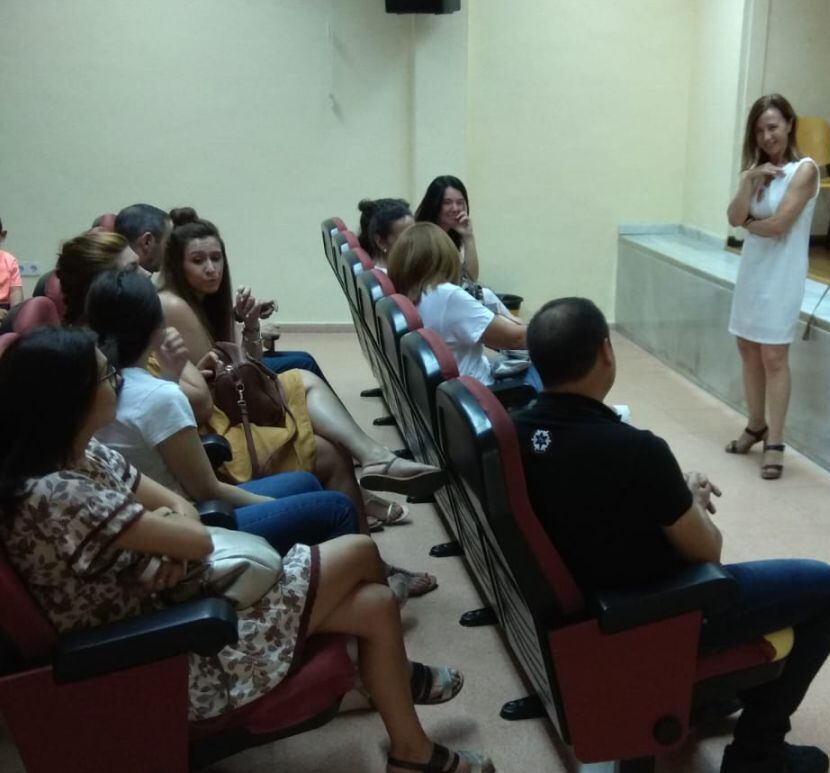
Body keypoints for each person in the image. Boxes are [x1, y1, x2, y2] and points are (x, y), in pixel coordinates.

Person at [0, 327, 494, 773]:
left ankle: (412, 754)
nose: (117, 381)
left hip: (180, 604)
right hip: (164, 652)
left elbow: (178, 505)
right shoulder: (59, 494)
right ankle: (400, 684)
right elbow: (192, 534)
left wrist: (165, 538)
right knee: (362, 552)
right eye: (106, 376)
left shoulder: (82, 452)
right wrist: (173, 537)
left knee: (377, 603)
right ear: (71, 400)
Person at [514, 298, 830, 773]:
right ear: (607, 352)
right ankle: (759, 750)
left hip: (577, 607)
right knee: (827, 588)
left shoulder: (513, 433)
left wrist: (672, 494)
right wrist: (688, 498)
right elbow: (708, 550)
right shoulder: (637, 450)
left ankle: (699, 702)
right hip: (656, 615)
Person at [157, 208, 442, 520]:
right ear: (177, 264)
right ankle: (372, 465)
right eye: (198, 261)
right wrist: (242, 330)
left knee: (308, 388)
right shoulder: (175, 306)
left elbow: (246, 368)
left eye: (216, 258)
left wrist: (249, 326)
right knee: (321, 427)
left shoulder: (205, 301)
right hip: (212, 429)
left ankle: (372, 462)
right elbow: (224, 384)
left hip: (228, 409)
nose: (211, 269)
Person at [86, 269, 359, 555]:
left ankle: (318, 572)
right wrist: (272, 505)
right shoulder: (158, 396)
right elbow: (207, 491)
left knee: (307, 483)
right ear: (158, 326)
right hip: (197, 522)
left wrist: (168, 375)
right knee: (336, 508)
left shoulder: (103, 383)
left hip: (159, 514)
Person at [725, 95, 820, 480]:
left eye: (773, 127)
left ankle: (776, 442)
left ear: (789, 125)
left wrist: (750, 224)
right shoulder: (758, 171)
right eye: (760, 130)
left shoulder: (805, 169)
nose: (767, 136)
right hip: (753, 271)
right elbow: (733, 216)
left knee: (774, 356)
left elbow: (780, 225)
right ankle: (755, 423)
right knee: (747, 347)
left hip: (783, 273)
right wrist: (749, 182)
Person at [388, 223, 539, 391]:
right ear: (446, 256)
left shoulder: (409, 295)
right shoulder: (446, 295)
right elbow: (516, 339)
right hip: (480, 392)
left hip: (450, 393)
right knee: (550, 368)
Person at [415, 175, 481, 283]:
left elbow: (470, 278)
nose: (455, 209)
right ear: (434, 204)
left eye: (459, 202)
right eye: (447, 202)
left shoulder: (450, 235)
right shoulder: (421, 237)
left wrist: (468, 237)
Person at [358, 197, 414, 271]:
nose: (415, 240)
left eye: (415, 232)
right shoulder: (389, 280)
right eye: (405, 238)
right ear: (381, 242)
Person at [114, 203, 172, 273]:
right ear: (147, 242)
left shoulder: (103, 275)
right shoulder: (133, 282)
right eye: (168, 243)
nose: (171, 252)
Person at [0, 214, 23, 321]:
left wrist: (13, 316)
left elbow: (16, 292)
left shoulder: (9, 260)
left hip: (5, 309)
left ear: (2, 235)